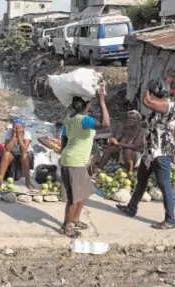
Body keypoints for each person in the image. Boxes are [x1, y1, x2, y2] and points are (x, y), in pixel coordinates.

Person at [117, 78, 175, 230]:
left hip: (160, 152)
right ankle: (131, 207)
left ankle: (170, 220)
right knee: (141, 180)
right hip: (150, 152)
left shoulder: (168, 104)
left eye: (153, 93)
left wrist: (147, 86)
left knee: (164, 185)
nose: (151, 96)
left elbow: (147, 101)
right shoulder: (165, 109)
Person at [60, 90, 110, 238]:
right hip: (74, 162)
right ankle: (66, 226)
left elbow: (64, 140)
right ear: (86, 105)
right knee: (73, 198)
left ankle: (75, 218)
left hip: (71, 159)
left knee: (85, 191)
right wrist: (102, 101)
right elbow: (106, 124)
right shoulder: (84, 120)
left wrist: (65, 157)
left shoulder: (68, 119)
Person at [0, 117, 34, 189]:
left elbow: (24, 150)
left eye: (19, 127)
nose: (16, 129)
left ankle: (28, 182)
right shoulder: (9, 132)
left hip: (26, 155)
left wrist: (19, 137)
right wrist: (14, 137)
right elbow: (7, 148)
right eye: (15, 127)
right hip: (13, 154)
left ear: (23, 127)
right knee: (6, 154)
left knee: (24, 155)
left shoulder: (27, 134)